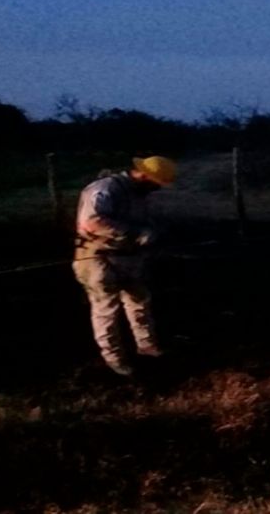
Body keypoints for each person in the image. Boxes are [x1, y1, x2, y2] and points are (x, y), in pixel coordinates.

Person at [73, 155, 176, 376]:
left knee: (139, 302)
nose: (157, 189)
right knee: (106, 310)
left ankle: (147, 347)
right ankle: (114, 359)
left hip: (130, 257)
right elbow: (92, 222)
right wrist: (135, 233)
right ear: (145, 175)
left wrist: (153, 232)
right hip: (97, 258)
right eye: (157, 184)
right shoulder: (104, 189)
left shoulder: (138, 193)